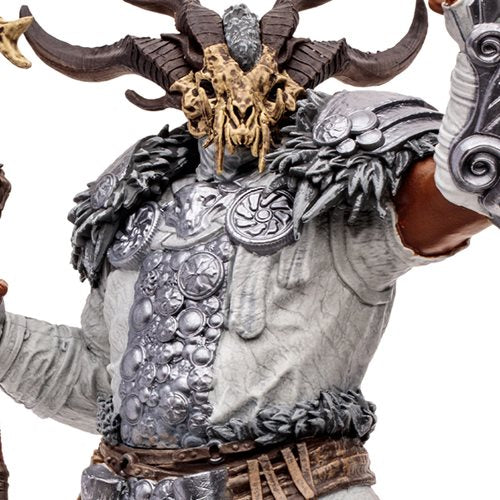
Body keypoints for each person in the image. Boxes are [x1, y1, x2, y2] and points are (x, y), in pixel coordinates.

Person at [0, 0, 497, 498]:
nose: (237, 104)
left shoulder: (338, 196)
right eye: (213, 86)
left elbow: (472, 181)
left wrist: (480, 21)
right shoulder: (137, 205)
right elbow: (103, 386)